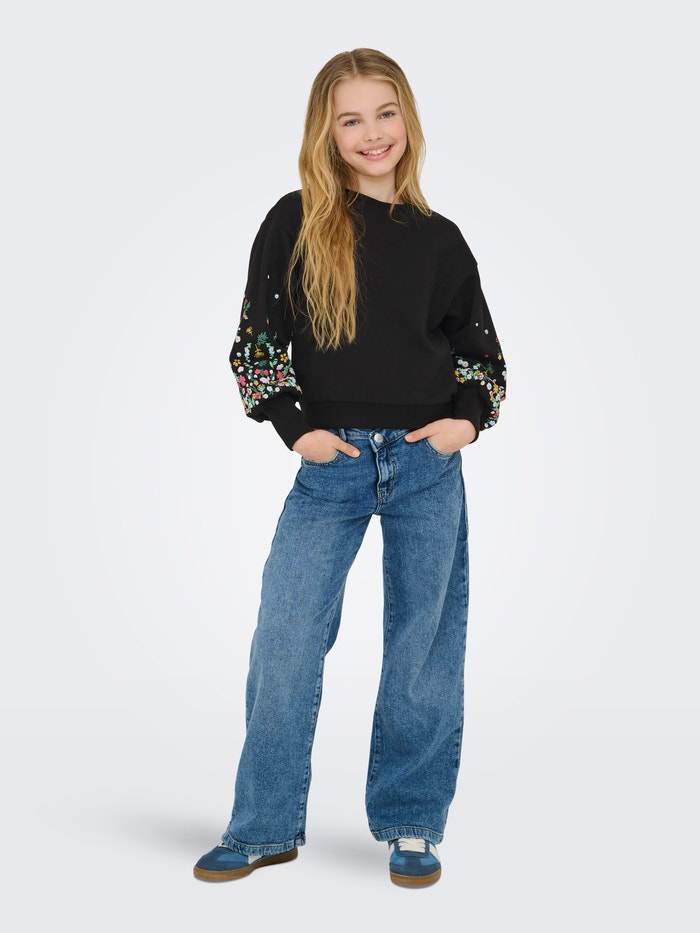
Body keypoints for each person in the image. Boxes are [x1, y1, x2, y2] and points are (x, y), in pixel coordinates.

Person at [194, 47, 506, 889]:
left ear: (408, 118)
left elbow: (482, 357)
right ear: (325, 134)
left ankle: (412, 820)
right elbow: (257, 344)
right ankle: (264, 825)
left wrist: (464, 424)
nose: (373, 133)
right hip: (330, 465)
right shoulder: (295, 222)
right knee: (287, 636)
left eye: (386, 112)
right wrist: (296, 430)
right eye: (351, 119)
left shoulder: (441, 239)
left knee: (423, 646)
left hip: (426, 463)